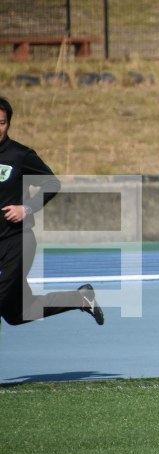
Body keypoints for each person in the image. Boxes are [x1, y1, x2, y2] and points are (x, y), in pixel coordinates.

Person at [0, 96, 104, 327]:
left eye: (2, 123)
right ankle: (80, 299)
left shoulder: (19, 155)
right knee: (18, 313)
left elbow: (51, 183)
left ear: (8, 124)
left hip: (17, 242)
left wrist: (26, 208)